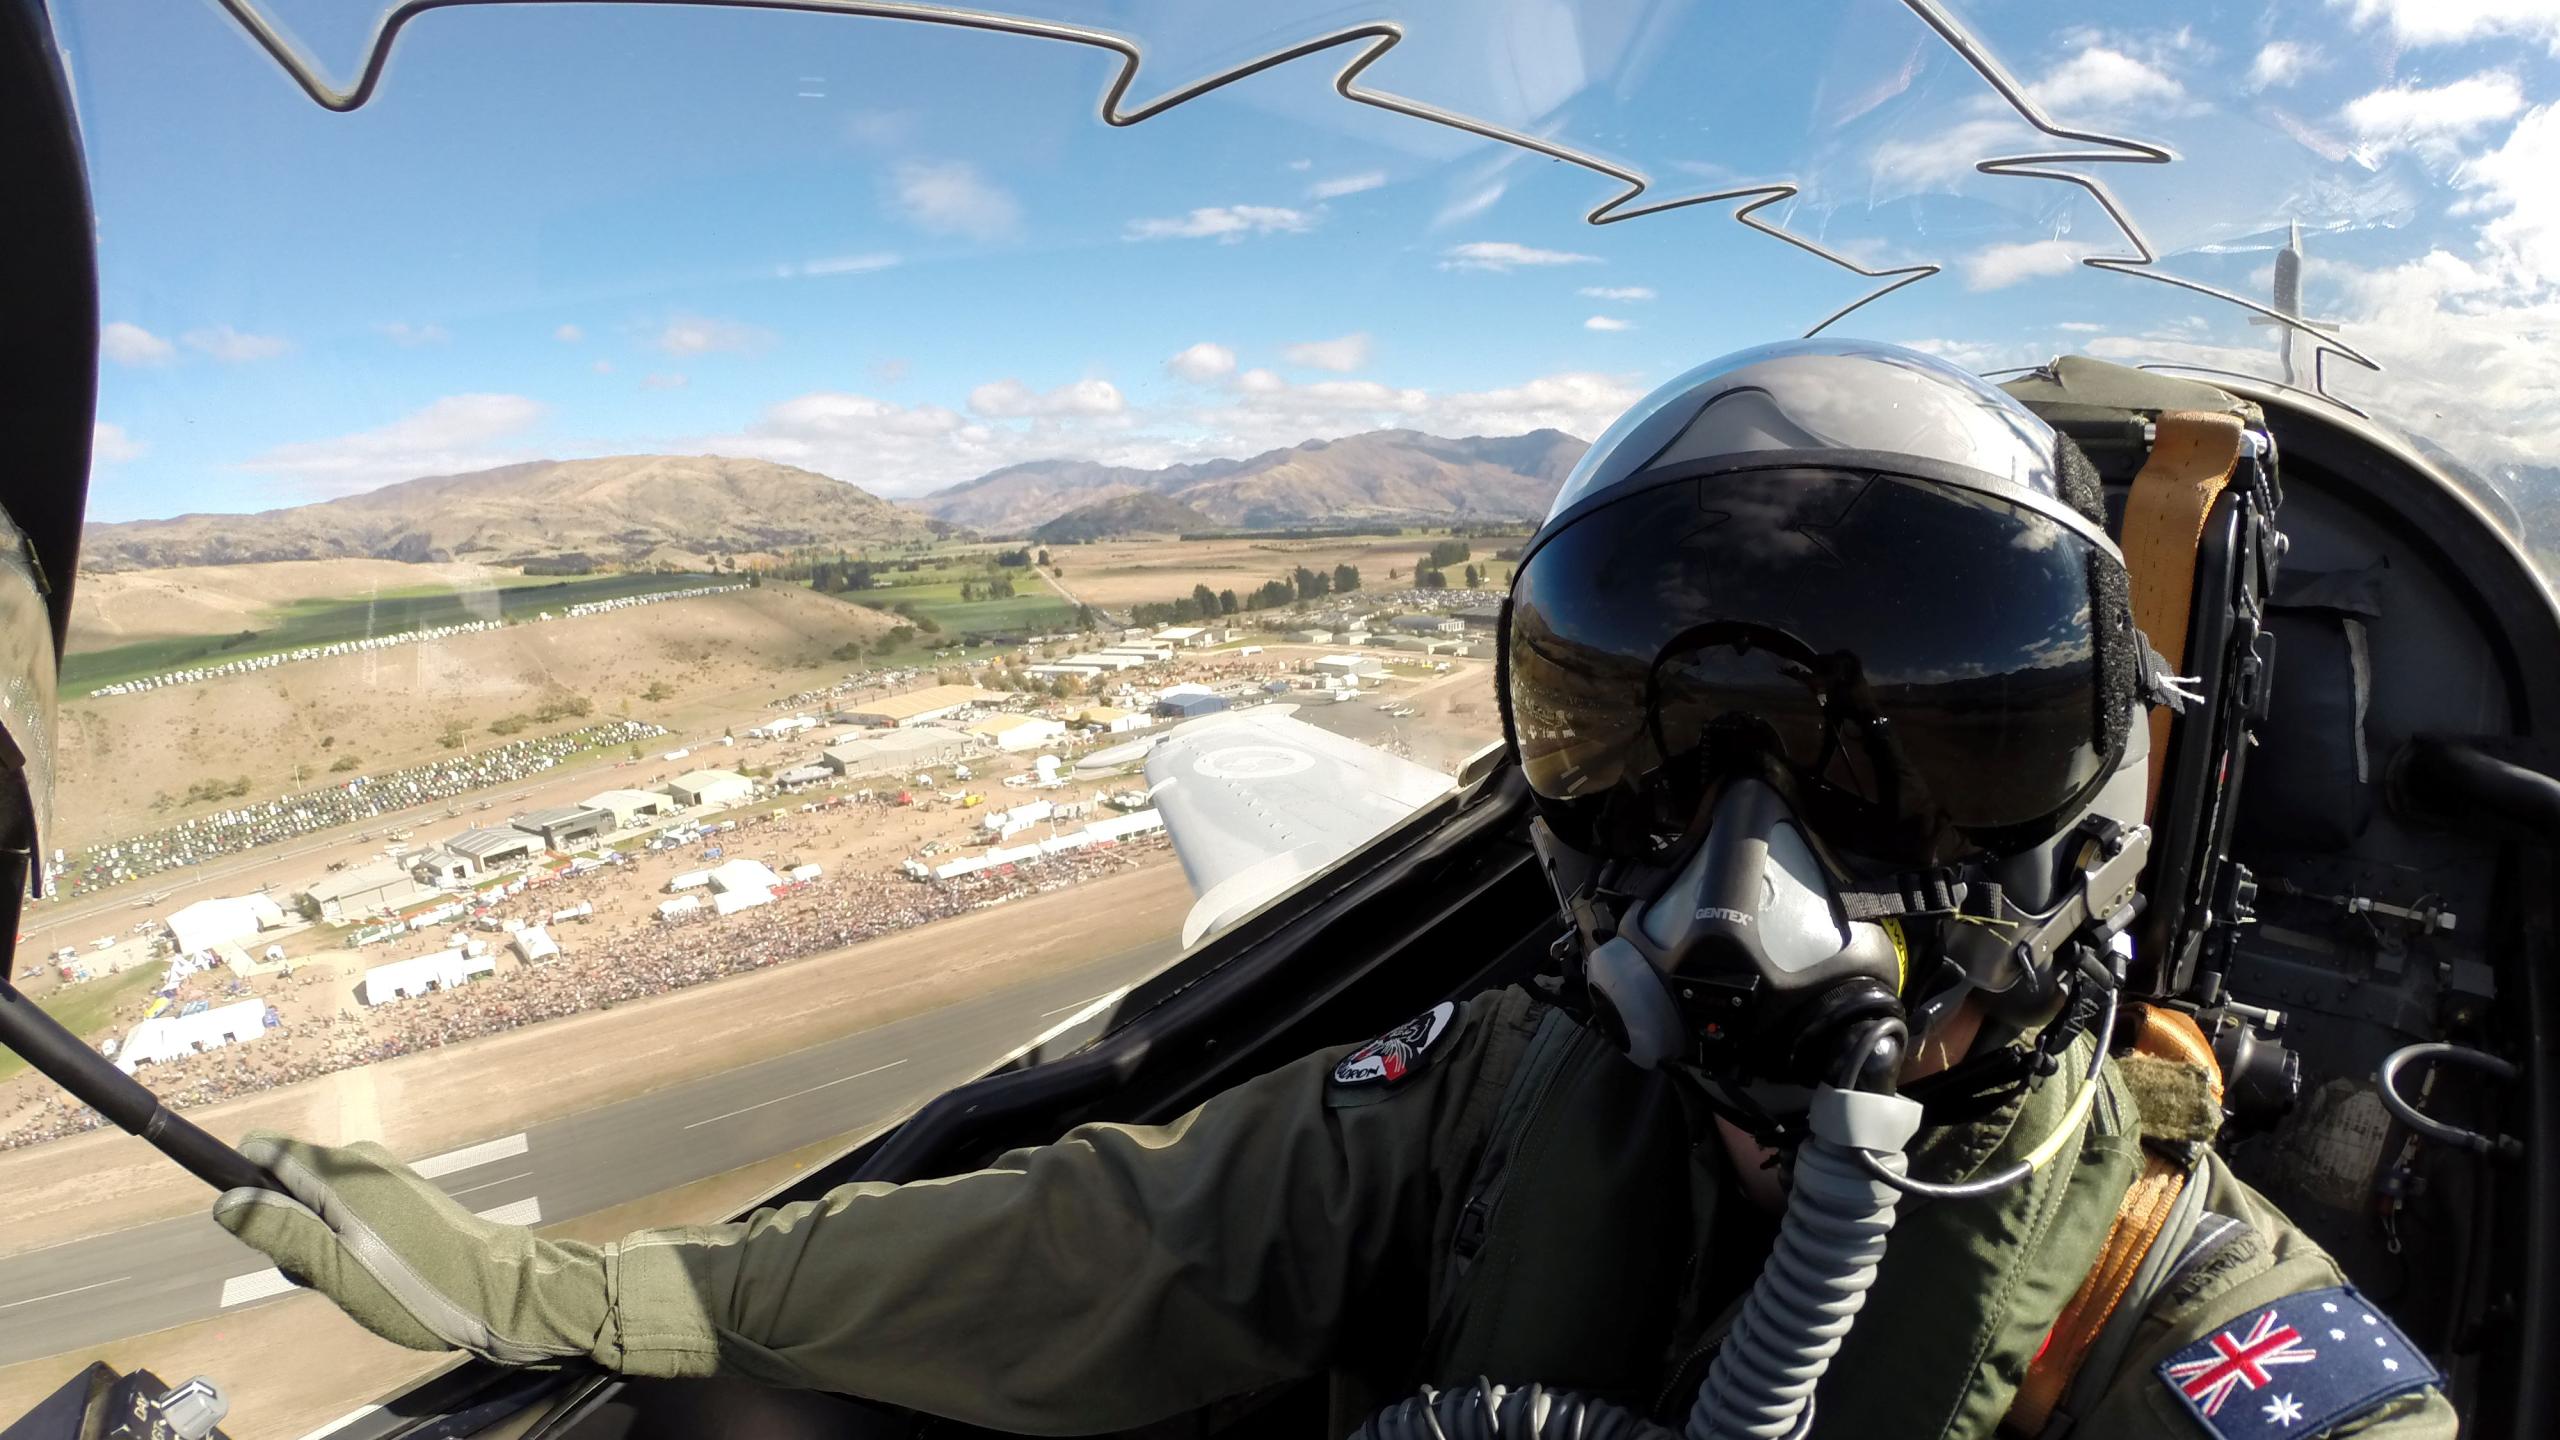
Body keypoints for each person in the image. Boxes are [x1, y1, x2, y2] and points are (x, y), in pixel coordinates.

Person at [214, 342, 2456, 1440]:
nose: (1746, 879)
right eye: (1656, 757)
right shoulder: (1506, 1098)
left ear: (2094, 794)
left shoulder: (2212, 1350)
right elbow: (1102, 1232)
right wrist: (599, 1301)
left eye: (1922, 752)